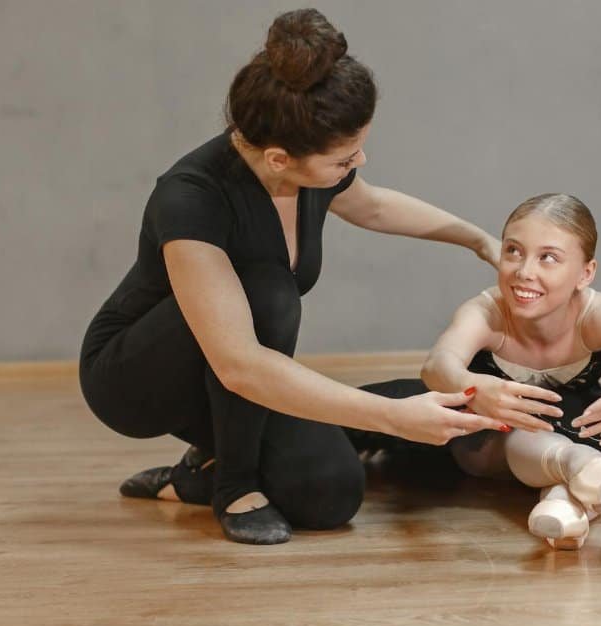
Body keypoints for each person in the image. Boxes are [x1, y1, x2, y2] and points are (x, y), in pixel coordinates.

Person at [79, 9, 524, 546]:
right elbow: (239, 363)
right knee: (269, 293)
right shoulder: (192, 199)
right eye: (345, 157)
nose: (360, 160)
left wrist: (480, 241)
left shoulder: (309, 172)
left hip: (232, 374)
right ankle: (232, 486)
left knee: (329, 489)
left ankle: (197, 474)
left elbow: (376, 207)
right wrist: (390, 417)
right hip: (141, 376)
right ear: (278, 158)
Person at [362, 193, 601, 549]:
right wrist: (470, 385)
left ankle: (562, 505)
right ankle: (577, 468)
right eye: (514, 251)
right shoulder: (487, 310)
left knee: (551, 428)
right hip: (485, 437)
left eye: (548, 258)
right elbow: (438, 363)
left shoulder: (598, 313)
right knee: (521, 425)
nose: (524, 272)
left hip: (569, 423)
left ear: (585, 274)